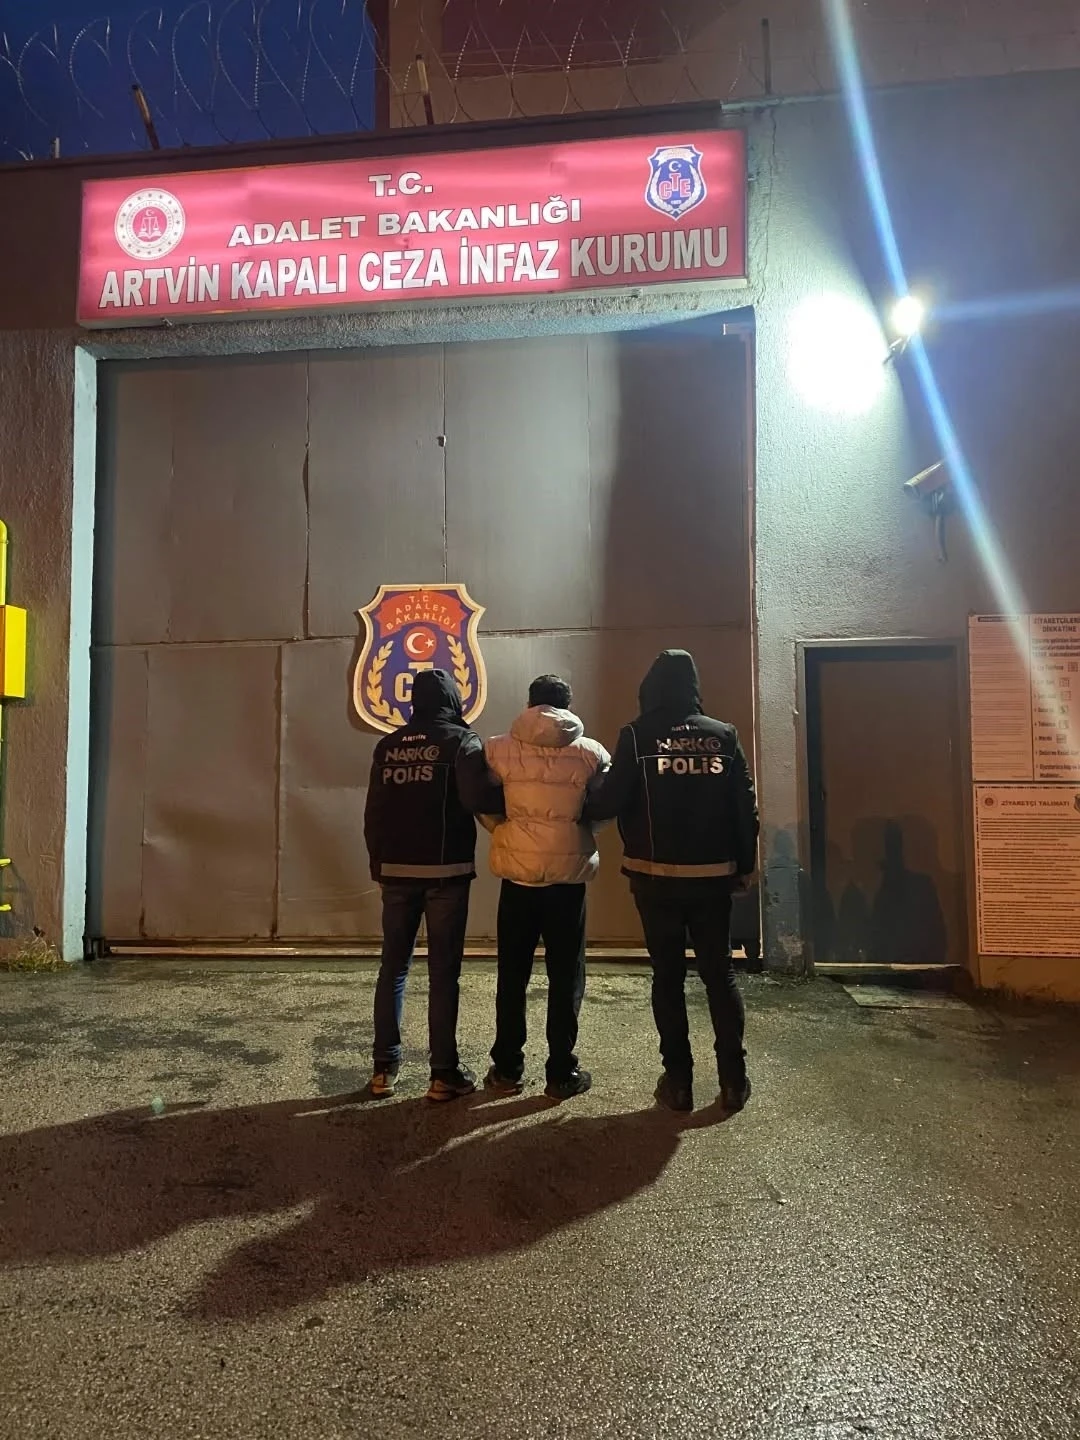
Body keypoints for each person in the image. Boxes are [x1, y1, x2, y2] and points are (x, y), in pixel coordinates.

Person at [586, 650, 759, 1114]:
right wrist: (744, 865)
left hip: (654, 877)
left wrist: (578, 799)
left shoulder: (637, 735)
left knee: (668, 976)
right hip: (713, 877)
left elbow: (611, 800)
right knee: (719, 974)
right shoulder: (723, 735)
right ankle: (733, 1081)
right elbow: (745, 806)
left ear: (651, 687)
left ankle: (679, 1083)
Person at [468, 674, 609, 1101]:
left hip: (518, 880)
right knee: (566, 975)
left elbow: (480, 801)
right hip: (568, 883)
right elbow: (607, 806)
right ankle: (561, 1072)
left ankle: (507, 1069)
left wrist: (503, 831)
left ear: (530, 704)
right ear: (567, 705)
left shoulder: (496, 749)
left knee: (513, 974)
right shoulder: (591, 752)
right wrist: (577, 835)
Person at [363, 668, 497, 1102]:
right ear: (453, 699)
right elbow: (477, 799)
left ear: (414, 701)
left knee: (393, 968)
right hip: (446, 872)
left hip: (396, 872)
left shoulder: (388, 746)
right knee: (443, 974)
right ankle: (443, 1074)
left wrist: (379, 867)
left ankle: (384, 1070)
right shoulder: (461, 741)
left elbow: (374, 812)